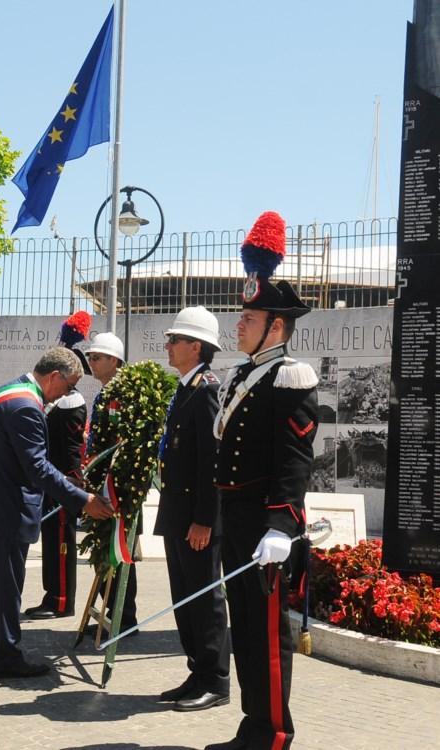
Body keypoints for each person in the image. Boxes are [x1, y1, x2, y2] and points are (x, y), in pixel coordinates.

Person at [205, 212, 318, 750]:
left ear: (276, 325)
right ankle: (252, 726)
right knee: (245, 631)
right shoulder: (241, 376)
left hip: (265, 526)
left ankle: (274, 733)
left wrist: (281, 525)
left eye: (249, 318)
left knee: (270, 636)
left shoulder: (289, 377)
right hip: (237, 519)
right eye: (241, 315)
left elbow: (294, 462)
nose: (239, 325)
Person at [0, 347, 113, 679]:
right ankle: (5, 655)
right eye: (68, 386)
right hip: (5, 508)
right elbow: (39, 468)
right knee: (4, 586)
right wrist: (84, 499)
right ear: (54, 376)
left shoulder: (7, 390)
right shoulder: (27, 406)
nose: (66, 394)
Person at [154, 306, 230, 712]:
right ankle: (197, 671)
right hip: (177, 510)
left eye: (175, 339)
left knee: (205, 598)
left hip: (196, 517)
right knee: (184, 597)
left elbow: (211, 464)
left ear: (195, 347)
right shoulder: (186, 388)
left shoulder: (206, 391)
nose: (168, 345)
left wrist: (205, 518)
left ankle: (215, 680)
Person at [25, 311, 92, 620]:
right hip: (53, 482)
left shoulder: (69, 401)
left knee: (61, 544)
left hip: (64, 482)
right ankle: (52, 594)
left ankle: (61, 600)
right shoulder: (56, 402)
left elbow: (67, 450)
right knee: (52, 543)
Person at [85, 331, 139, 631]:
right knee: (108, 551)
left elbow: (122, 442)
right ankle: (113, 615)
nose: (91, 362)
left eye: (97, 357)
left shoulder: (122, 393)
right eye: (91, 357)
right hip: (103, 483)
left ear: (114, 360)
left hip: (118, 487)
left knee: (119, 553)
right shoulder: (106, 392)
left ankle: (123, 617)